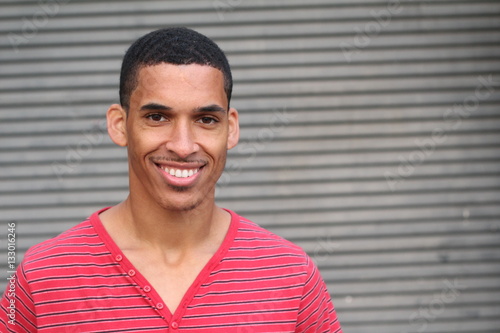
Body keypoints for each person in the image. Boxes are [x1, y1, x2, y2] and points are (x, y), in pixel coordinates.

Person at [0, 27, 342, 332]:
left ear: (231, 129)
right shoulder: (42, 277)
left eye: (206, 119)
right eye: (158, 116)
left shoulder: (291, 276)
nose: (182, 146)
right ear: (120, 124)